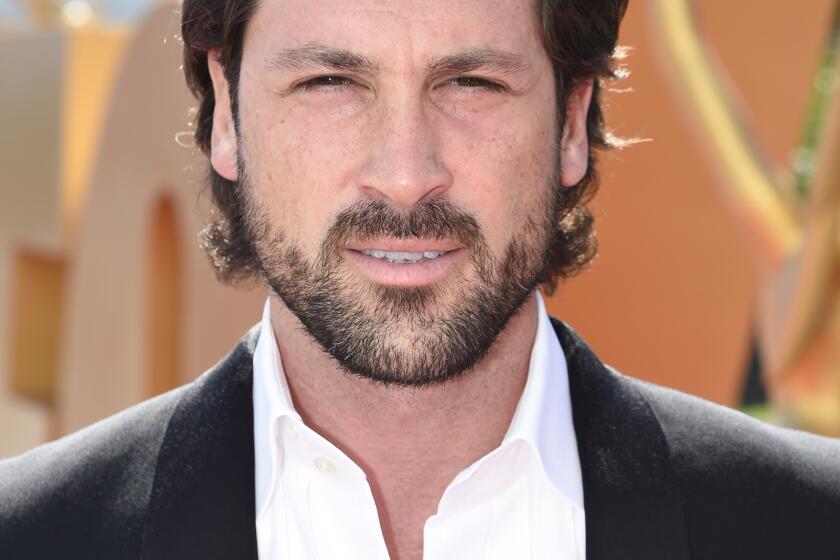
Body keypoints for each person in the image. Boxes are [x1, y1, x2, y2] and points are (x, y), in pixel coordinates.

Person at [2, 0, 839, 558]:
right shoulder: (33, 536)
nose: (405, 176)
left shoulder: (806, 527)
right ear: (225, 111)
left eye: (470, 83)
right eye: (331, 82)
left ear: (573, 121)